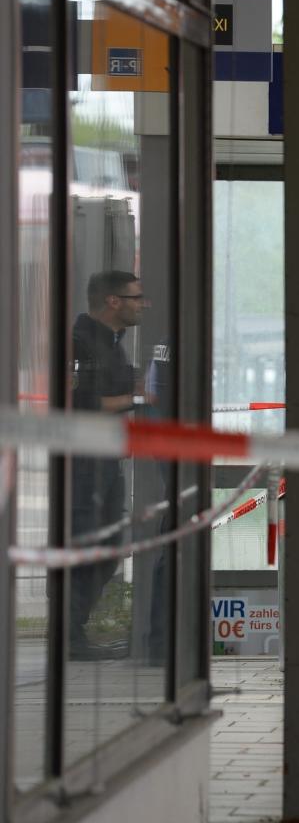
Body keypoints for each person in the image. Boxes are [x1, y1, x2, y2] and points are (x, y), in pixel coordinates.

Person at [68, 271, 148, 661]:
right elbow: (81, 405)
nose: (141, 304)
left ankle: (73, 630)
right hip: (83, 465)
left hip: (105, 462)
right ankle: (68, 635)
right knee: (88, 544)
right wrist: (135, 396)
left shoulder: (113, 343)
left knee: (109, 547)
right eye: (135, 297)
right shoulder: (81, 343)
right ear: (112, 301)